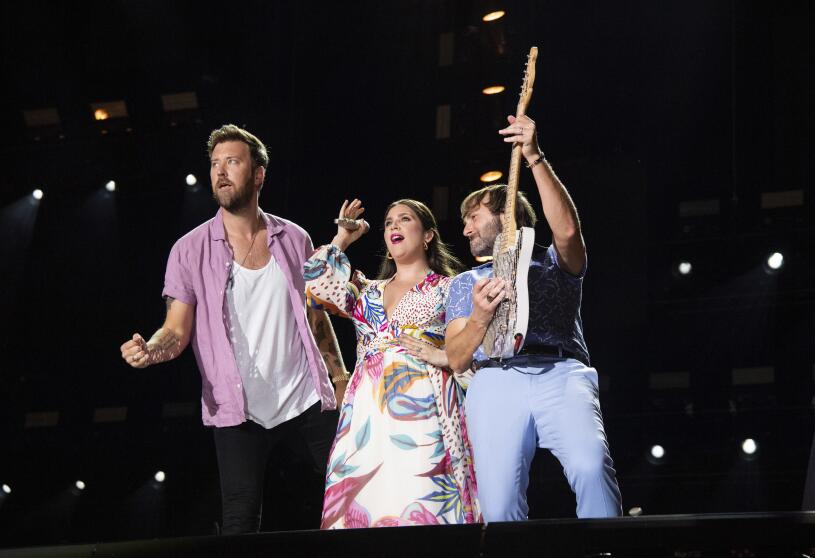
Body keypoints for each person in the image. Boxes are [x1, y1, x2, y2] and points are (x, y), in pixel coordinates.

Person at [119, 124, 348, 534]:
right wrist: (153, 349)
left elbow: (316, 313)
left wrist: (339, 375)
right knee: (240, 516)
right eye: (214, 164)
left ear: (258, 174)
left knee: (348, 488)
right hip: (237, 407)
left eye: (233, 162)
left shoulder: (294, 238)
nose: (220, 172)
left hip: (305, 395)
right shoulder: (188, 249)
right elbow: (175, 329)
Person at [444, 114, 622, 521]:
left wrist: (534, 156)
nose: (466, 228)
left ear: (505, 216)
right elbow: (456, 358)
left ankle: (608, 551)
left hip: (561, 371)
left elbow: (569, 232)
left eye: (474, 216)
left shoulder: (555, 263)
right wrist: (479, 318)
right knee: (499, 500)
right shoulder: (465, 283)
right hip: (494, 378)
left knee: (591, 466)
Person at [303, 198, 480, 528]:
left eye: (405, 219)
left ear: (428, 235)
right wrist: (343, 237)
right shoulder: (366, 290)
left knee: (420, 499)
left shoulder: (450, 287)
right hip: (367, 413)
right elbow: (314, 289)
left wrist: (441, 356)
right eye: (388, 223)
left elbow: (468, 350)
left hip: (423, 409)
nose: (394, 226)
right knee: (368, 506)